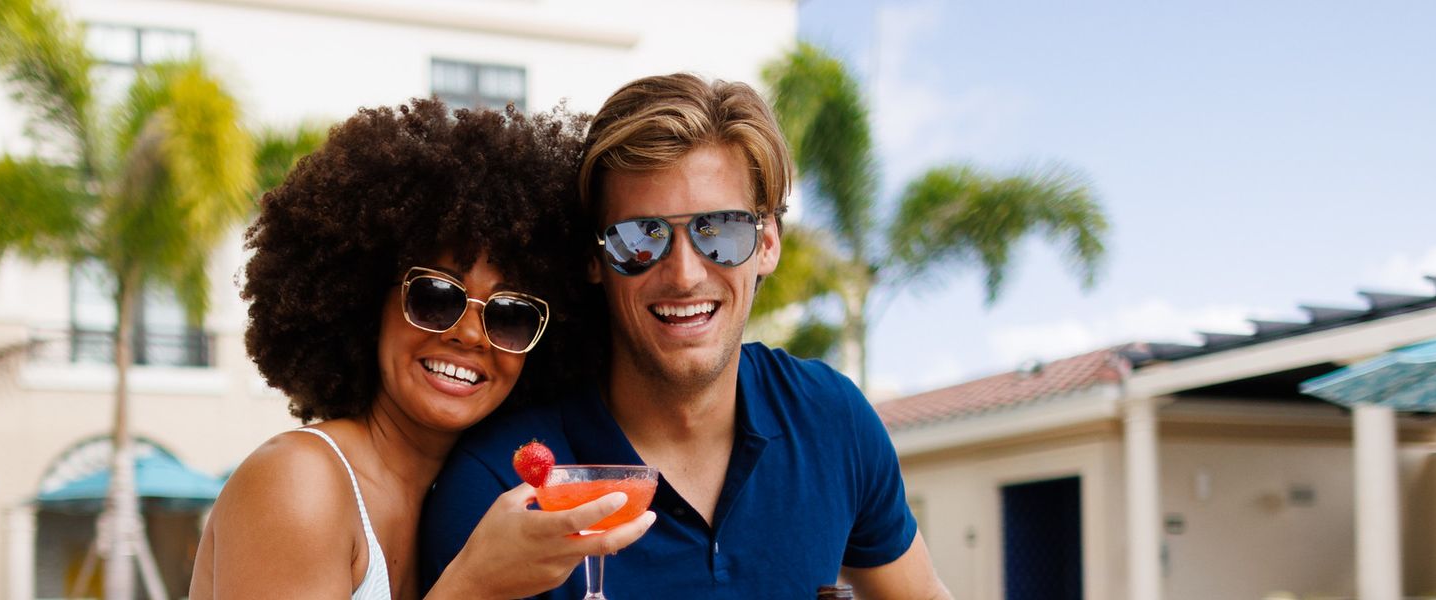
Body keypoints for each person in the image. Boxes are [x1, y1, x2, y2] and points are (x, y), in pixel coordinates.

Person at [418, 74, 952, 597]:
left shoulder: (833, 421)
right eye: (638, 238)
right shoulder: (501, 489)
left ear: (767, 242)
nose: (684, 274)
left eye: (720, 231)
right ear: (595, 260)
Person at [190, 99, 656, 599]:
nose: (472, 334)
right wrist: (473, 585)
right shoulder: (299, 482)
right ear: (366, 299)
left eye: (510, 315)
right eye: (436, 297)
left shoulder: (460, 501)